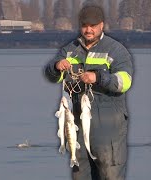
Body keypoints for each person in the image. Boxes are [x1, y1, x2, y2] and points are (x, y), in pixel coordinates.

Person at [43, 5, 133, 180]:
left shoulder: (116, 50)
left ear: (102, 25)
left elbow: (125, 82)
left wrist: (99, 78)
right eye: (85, 25)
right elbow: (52, 76)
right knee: (80, 176)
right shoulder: (69, 50)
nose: (88, 29)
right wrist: (56, 67)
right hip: (76, 128)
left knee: (111, 176)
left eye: (93, 25)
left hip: (110, 130)